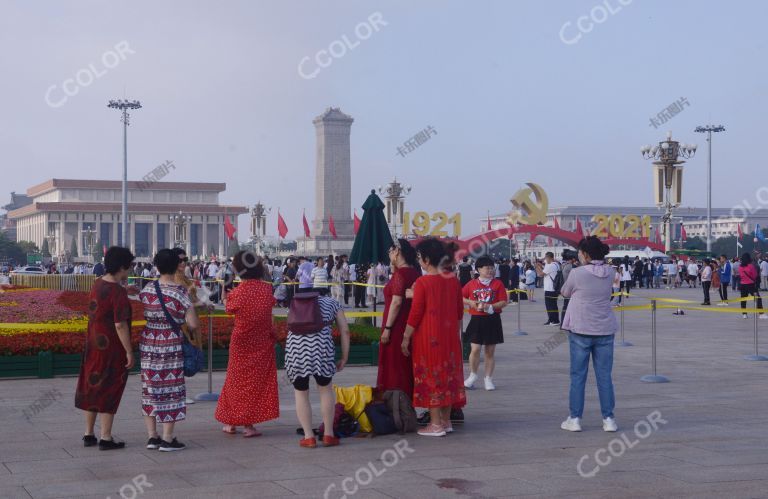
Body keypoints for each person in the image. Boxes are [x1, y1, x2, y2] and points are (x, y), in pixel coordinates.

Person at [401, 238, 466, 437]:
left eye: (420, 257)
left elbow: (415, 314)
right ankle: (445, 422)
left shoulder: (422, 282)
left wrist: (405, 337)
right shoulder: (453, 279)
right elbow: (459, 311)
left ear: (427, 259)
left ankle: (435, 424)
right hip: (450, 338)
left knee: (431, 377)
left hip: (428, 338)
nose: (419, 260)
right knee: (448, 376)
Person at [74, 246, 135, 451]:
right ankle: (106, 437)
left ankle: (88, 434)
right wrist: (128, 350)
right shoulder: (117, 292)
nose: (130, 270)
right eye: (129, 266)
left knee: (92, 386)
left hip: (93, 345)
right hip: (111, 349)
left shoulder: (97, 284)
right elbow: (120, 324)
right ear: (121, 266)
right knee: (109, 387)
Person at [139, 249, 199, 452]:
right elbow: (192, 324)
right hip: (170, 344)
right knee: (171, 388)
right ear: (176, 266)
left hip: (149, 343)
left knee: (150, 389)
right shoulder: (180, 292)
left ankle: (152, 437)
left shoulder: (147, 289)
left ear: (156, 266)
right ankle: (167, 438)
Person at [215, 252, 279, 437]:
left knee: (235, 381)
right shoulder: (266, 290)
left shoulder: (238, 292)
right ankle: (248, 425)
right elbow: (268, 316)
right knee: (255, 384)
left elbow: (228, 308)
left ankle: (231, 422)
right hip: (262, 342)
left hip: (241, 343)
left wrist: (225, 293)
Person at [560, 236, 619, 433]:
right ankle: (608, 419)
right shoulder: (611, 272)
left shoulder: (577, 273)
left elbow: (565, 292)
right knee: (604, 376)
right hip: (605, 328)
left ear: (584, 254)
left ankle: (575, 418)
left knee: (578, 375)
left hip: (581, 328)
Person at [286, 286, 350, 448]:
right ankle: (328, 434)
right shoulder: (332, 303)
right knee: (325, 389)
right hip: (321, 350)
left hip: (297, 350)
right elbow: (345, 331)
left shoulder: (295, 303)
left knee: (301, 393)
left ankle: (308, 437)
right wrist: (344, 357)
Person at [377, 239, 421, 397]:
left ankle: (395, 401)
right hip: (409, 324)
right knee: (405, 364)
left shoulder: (400, 274)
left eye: (390, 251)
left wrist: (387, 328)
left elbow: (396, 302)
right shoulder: (415, 272)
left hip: (396, 325)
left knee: (394, 364)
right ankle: (406, 401)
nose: (389, 255)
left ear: (396, 252)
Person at [462, 256, 508, 391]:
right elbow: (460, 296)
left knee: (490, 351)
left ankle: (488, 379)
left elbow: (504, 301)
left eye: (492, 268)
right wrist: (470, 302)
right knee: (475, 349)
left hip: (492, 319)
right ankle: (473, 375)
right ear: (478, 269)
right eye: (487, 268)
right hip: (476, 319)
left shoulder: (497, 284)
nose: (490, 270)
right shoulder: (471, 284)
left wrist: (491, 306)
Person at [738, 253, 767, 320]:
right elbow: (755, 275)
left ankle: (744, 314)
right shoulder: (750, 266)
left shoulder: (740, 267)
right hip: (751, 285)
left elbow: (740, 275)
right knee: (758, 298)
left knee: (743, 299)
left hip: (743, 285)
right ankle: (761, 313)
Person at [536, 252, 560, 326]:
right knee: (553, 305)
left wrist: (537, 266)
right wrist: (542, 266)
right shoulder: (556, 264)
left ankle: (554, 320)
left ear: (549, 258)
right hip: (554, 288)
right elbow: (547, 271)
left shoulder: (550, 266)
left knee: (550, 305)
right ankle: (552, 319)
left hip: (550, 288)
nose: (545, 260)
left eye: (546, 258)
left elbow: (540, 274)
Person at [560, 250, 578, 323]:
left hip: (567, 289)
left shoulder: (565, 265)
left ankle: (563, 323)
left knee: (566, 306)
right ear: (573, 258)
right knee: (568, 307)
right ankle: (566, 323)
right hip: (571, 290)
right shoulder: (571, 267)